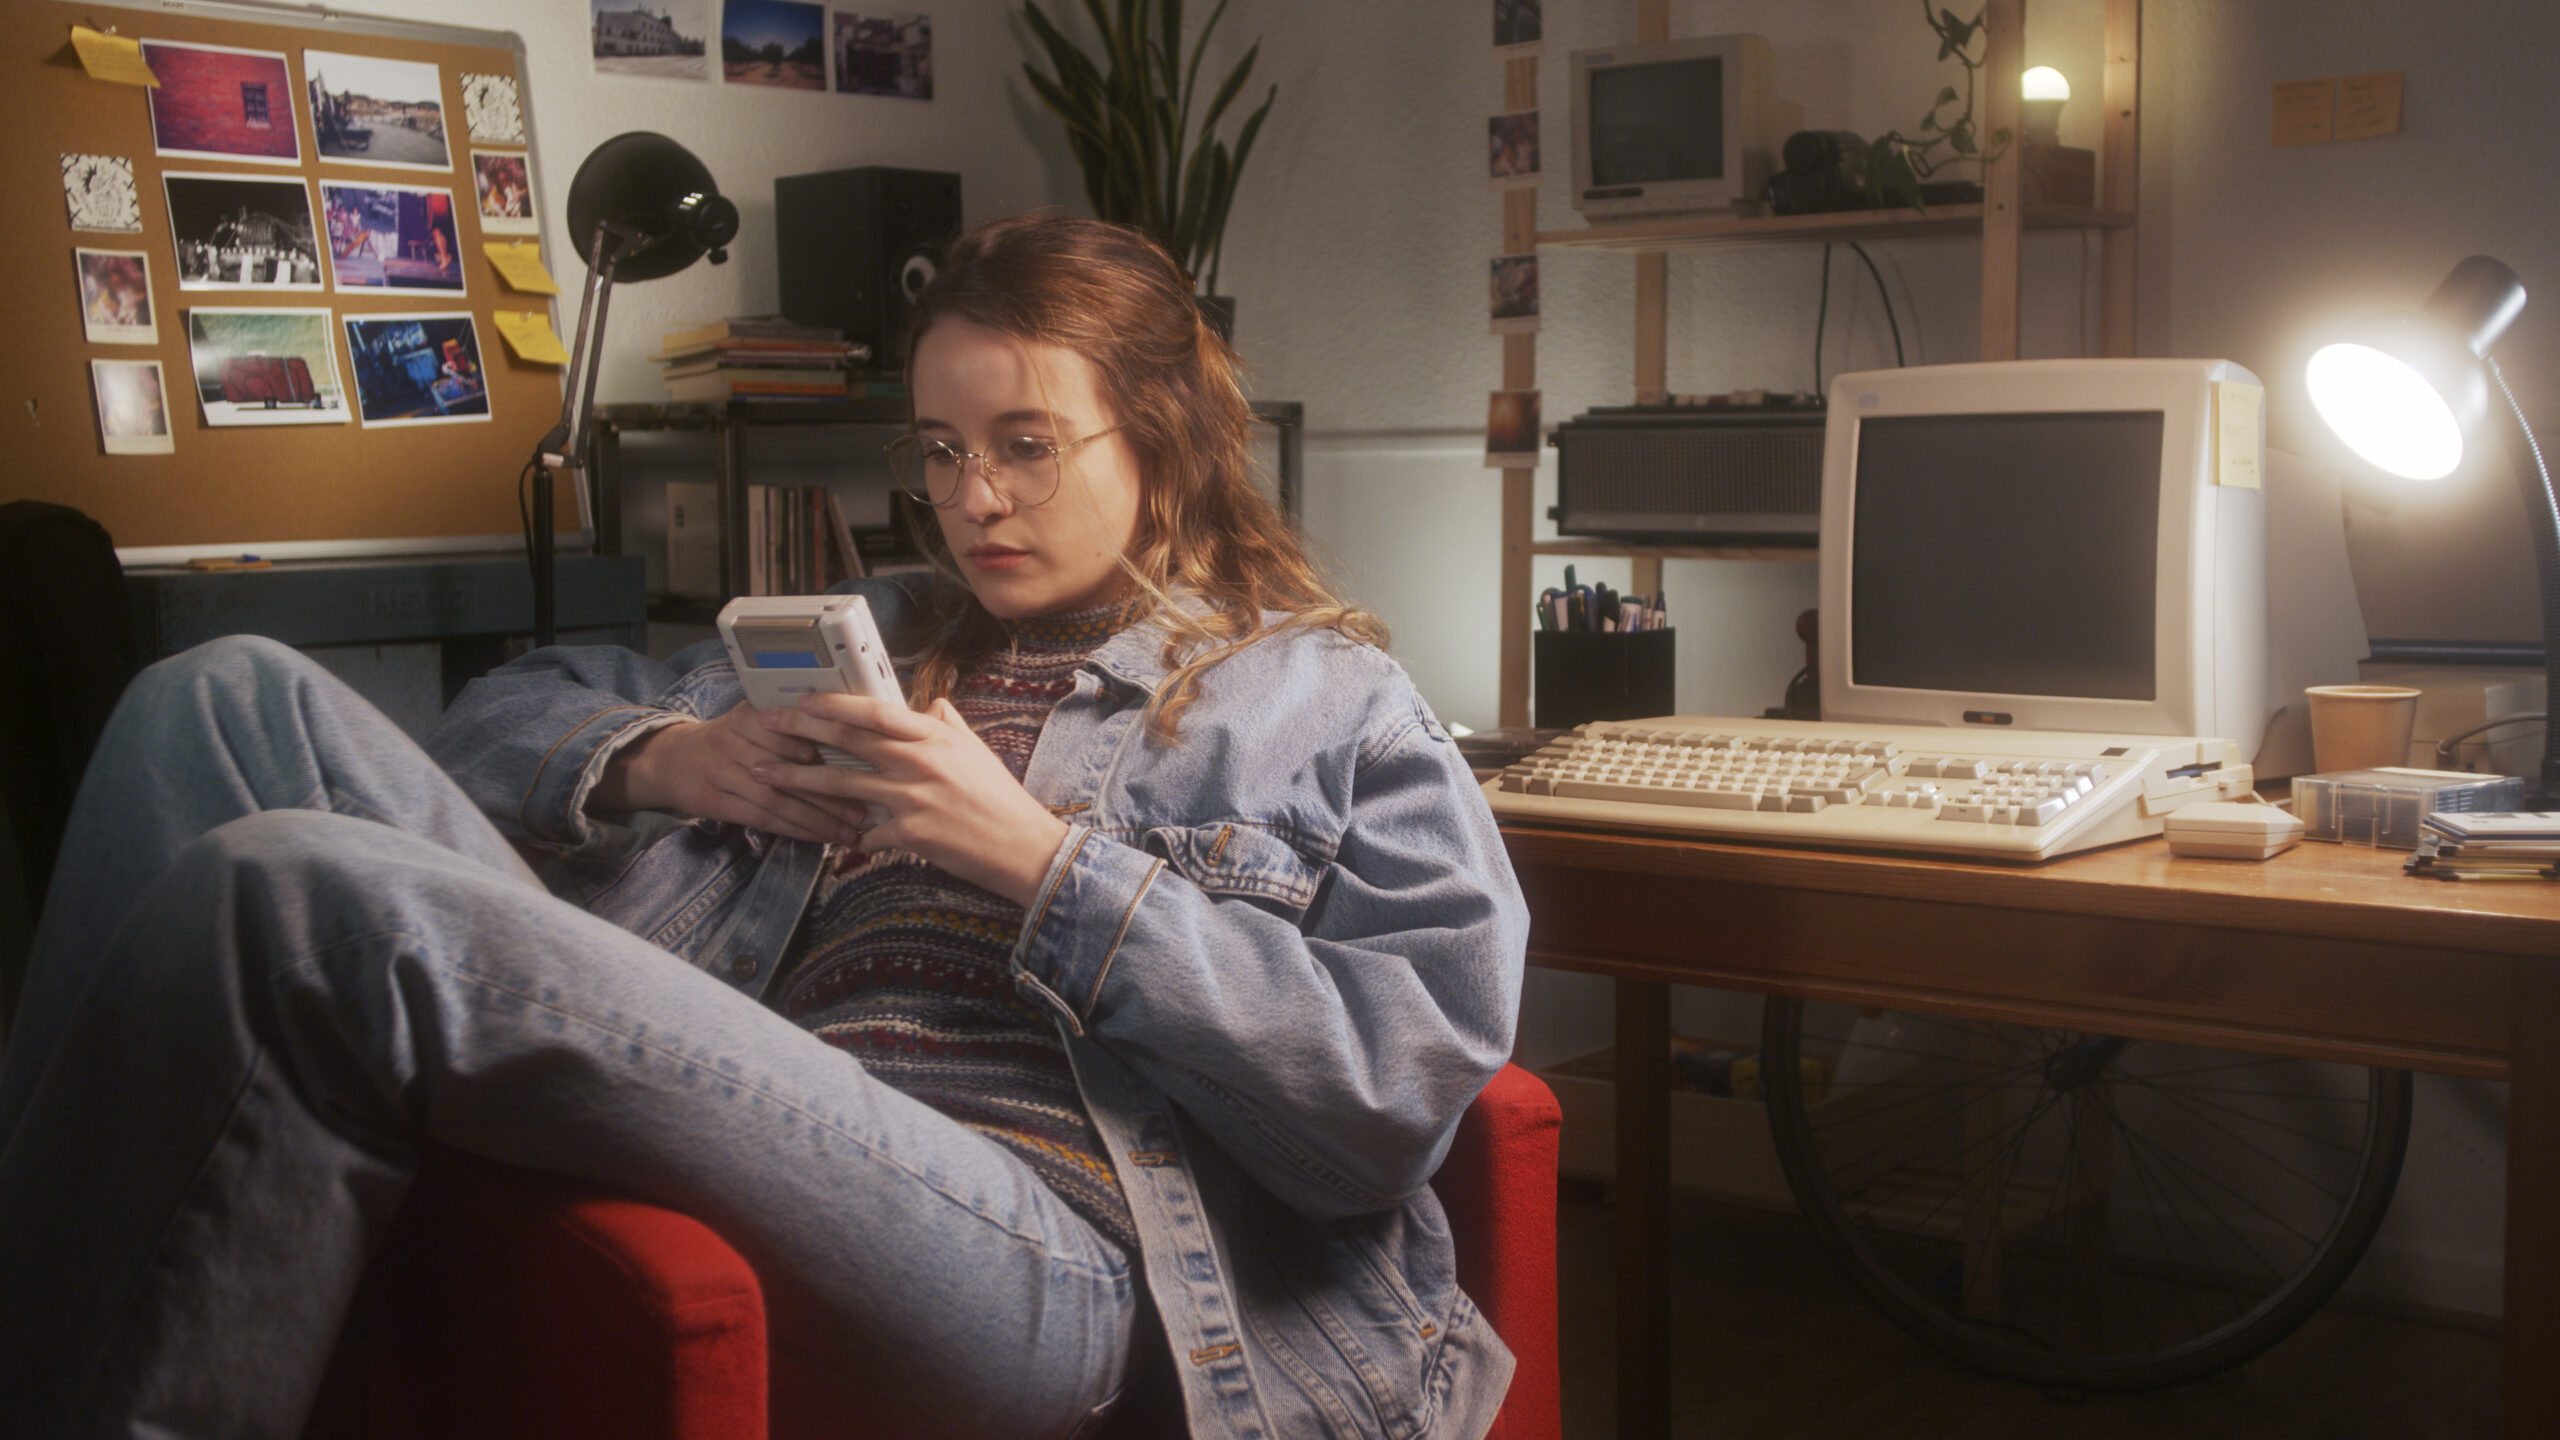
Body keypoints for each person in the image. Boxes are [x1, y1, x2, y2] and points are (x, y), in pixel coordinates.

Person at [0, 213, 1528, 1440]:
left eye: (1024, 443)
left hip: (1054, 1246)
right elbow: (494, 723)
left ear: (1164, 435)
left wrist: (1038, 860)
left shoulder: (1328, 699)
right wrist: (675, 756)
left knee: (300, 892)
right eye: (937, 447)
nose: (970, 496)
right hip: (757, 1089)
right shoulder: (883, 622)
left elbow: (1385, 1103)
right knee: (215, 697)